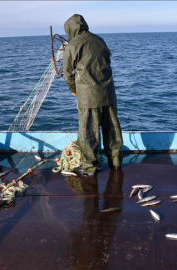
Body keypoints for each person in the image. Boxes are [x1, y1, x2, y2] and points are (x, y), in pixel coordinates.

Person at [63, 14, 123, 177]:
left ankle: (89, 168)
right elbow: (106, 61)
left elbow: (67, 74)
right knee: (112, 130)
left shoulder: (72, 45)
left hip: (88, 97)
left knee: (88, 133)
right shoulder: (99, 40)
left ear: (69, 29)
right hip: (108, 93)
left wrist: (74, 90)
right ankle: (115, 162)